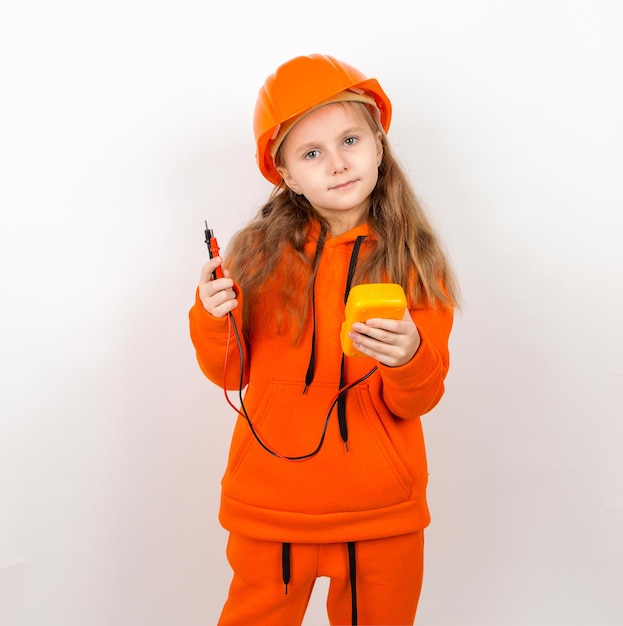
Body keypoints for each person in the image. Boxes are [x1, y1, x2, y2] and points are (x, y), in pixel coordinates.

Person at [189, 53, 459, 626]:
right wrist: (214, 318)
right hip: (269, 507)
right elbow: (231, 373)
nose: (337, 164)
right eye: (311, 153)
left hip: (381, 516)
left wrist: (409, 358)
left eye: (350, 140)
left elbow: (416, 399)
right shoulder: (254, 255)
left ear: (379, 144)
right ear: (285, 174)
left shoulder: (416, 261)